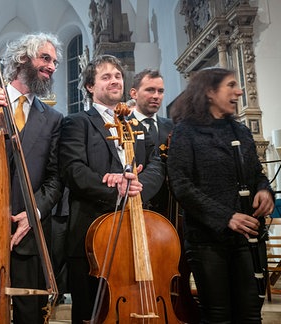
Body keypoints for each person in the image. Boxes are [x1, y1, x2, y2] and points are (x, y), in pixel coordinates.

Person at [0, 33, 63, 324]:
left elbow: (56, 178)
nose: (53, 66)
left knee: (28, 315)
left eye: (56, 62)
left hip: (28, 232)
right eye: (45, 58)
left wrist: (33, 213)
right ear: (23, 59)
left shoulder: (54, 119)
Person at [59, 54, 164, 323]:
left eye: (117, 76)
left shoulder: (136, 125)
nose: (114, 80)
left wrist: (138, 187)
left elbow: (155, 166)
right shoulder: (77, 122)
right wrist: (116, 187)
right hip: (92, 231)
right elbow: (74, 170)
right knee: (92, 310)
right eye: (106, 76)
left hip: (137, 226)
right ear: (90, 87)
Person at [167, 67, 275, 323]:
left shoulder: (241, 131)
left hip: (247, 238)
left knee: (250, 315)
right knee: (218, 316)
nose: (239, 91)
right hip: (208, 240)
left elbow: (256, 173)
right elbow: (181, 184)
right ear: (209, 92)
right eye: (231, 85)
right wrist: (226, 216)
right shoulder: (186, 132)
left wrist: (264, 190)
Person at [129, 68, 174, 215]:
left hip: (167, 210)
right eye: (150, 90)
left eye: (160, 91)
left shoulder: (172, 127)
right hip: (133, 206)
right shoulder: (122, 126)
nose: (156, 96)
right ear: (134, 93)